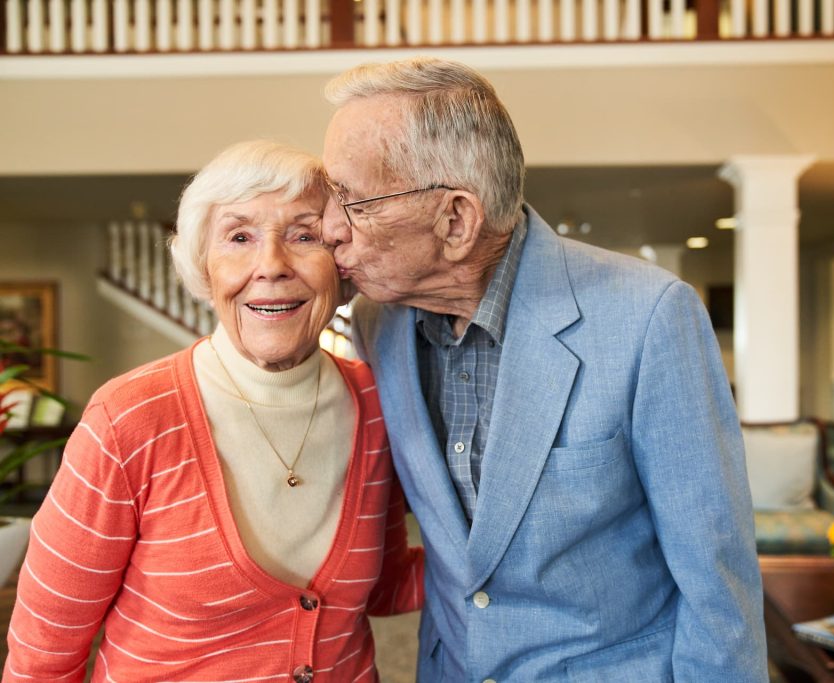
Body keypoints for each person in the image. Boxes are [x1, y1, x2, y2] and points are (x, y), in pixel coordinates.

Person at [321, 57, 767, 681]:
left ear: (455, 220)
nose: (328, 228)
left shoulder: (650, 316)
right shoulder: (376, 322)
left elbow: (716, 574)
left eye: (352, 201)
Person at [3, 140, 423, 681]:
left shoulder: (375, 403)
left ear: (341, 263)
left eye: (305, 235)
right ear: (204, 266)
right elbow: (44, 651)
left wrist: (534, 558)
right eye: (239, 237)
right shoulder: (128, 418)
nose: (271, 265)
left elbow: (385, 584)